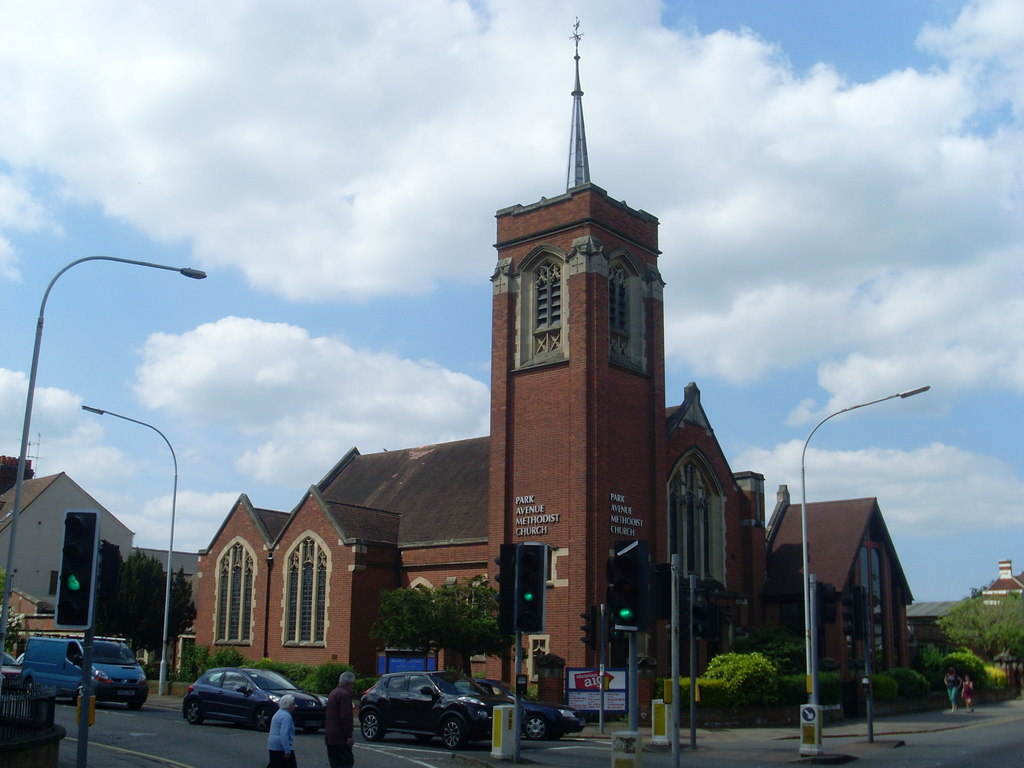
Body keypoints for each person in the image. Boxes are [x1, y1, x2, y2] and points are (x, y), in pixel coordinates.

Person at [325, 670, 356, 768]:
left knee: (334, 763)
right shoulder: (345, 695)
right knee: (346, 762)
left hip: (330, 737)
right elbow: (345, 717)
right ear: (348, 683)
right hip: (340, 738)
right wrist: (349, 736)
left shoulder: (333, 693)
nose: (352, 687)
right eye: (352, 684)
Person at [268, 694, 297, 767]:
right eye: (293, 704)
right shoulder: (286, 716)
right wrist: (287, 750)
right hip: (280, 748)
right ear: (288, 705)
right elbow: (284, 734)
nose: (295, 706)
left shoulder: (278, 713)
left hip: (273, 745)